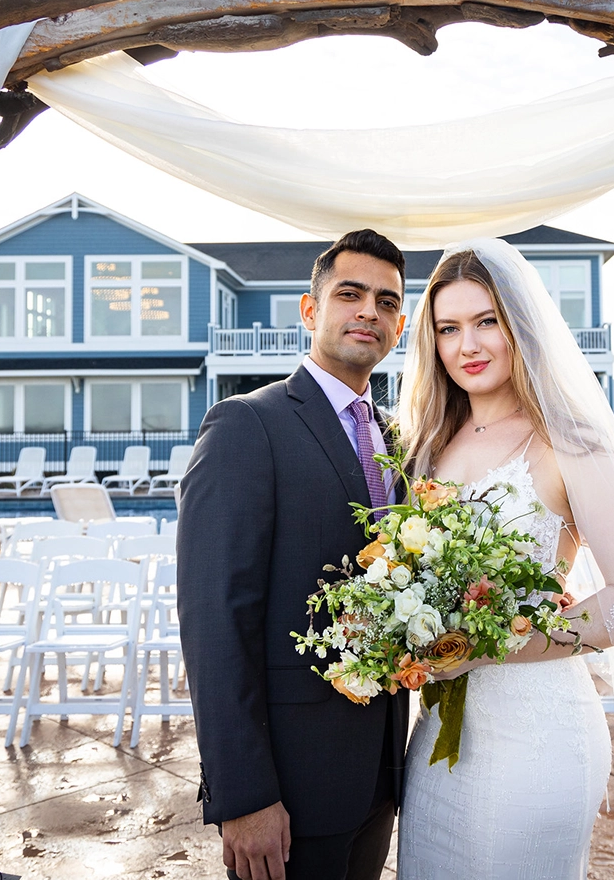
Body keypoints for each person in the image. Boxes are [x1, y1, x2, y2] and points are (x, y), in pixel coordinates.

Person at [394, 239, 614, 880]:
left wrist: (483, 648)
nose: (468, 345)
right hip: (437, 740)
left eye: (487, 321)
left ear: (520, 324)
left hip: (536, 737)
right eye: (448, 328)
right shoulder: (428, 443)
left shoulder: (569, 441)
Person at [177, 229, 411, 880]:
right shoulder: (246, 425)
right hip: (288, 787)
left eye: (388, 302)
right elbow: (214, 622)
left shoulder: (396, 439)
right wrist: (243, 795)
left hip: (380, 778)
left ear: (399, 326)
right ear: (310, 310)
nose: (369, 312)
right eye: (350, 294)